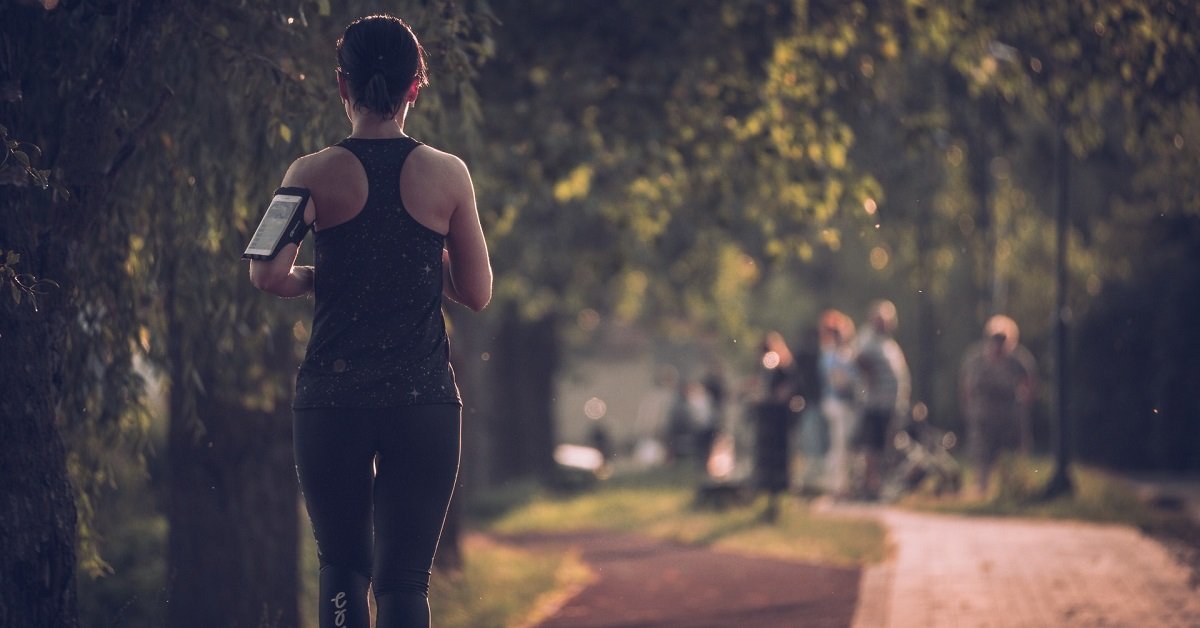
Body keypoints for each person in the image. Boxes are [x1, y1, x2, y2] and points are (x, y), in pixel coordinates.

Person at [248, 14, 492, 628]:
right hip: (424, 402)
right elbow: (477, 291)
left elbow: (266, 275)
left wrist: (322, 277)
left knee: (342, 569)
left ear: (341, 86)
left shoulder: (306, 173)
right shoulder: (449, 174)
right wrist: (416, 257)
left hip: (332, 401)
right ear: (417, 86)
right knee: (405, 581)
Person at [959, 315, 1037, 496]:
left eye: (1002, 339)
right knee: (982, 455)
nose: (998, 343)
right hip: (983, 415)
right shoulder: (976, 358)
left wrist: (1024, 403)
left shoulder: (1018, 359)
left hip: (1009, 415)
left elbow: (1031, 382)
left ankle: (1010, 490)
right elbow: (966, 386)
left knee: (1011, 453)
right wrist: (968, 408)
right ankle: (982, 490)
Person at [853, 300, 910, 500]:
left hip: (889, 404)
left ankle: (879, 485)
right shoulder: (868, 338)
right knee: (872, 447)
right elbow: (859, 358)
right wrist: (871, 378)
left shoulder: (888, 343)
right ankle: (869, 486)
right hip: (874, 404)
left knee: (885, 447)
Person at [818, 309, 859, 499]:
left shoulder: (844, 353)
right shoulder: (831, 354)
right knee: (840, 445)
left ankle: (844, 484)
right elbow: (839, 382)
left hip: (846, 404)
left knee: (845, 446)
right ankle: (837, 486)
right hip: (837, 403)